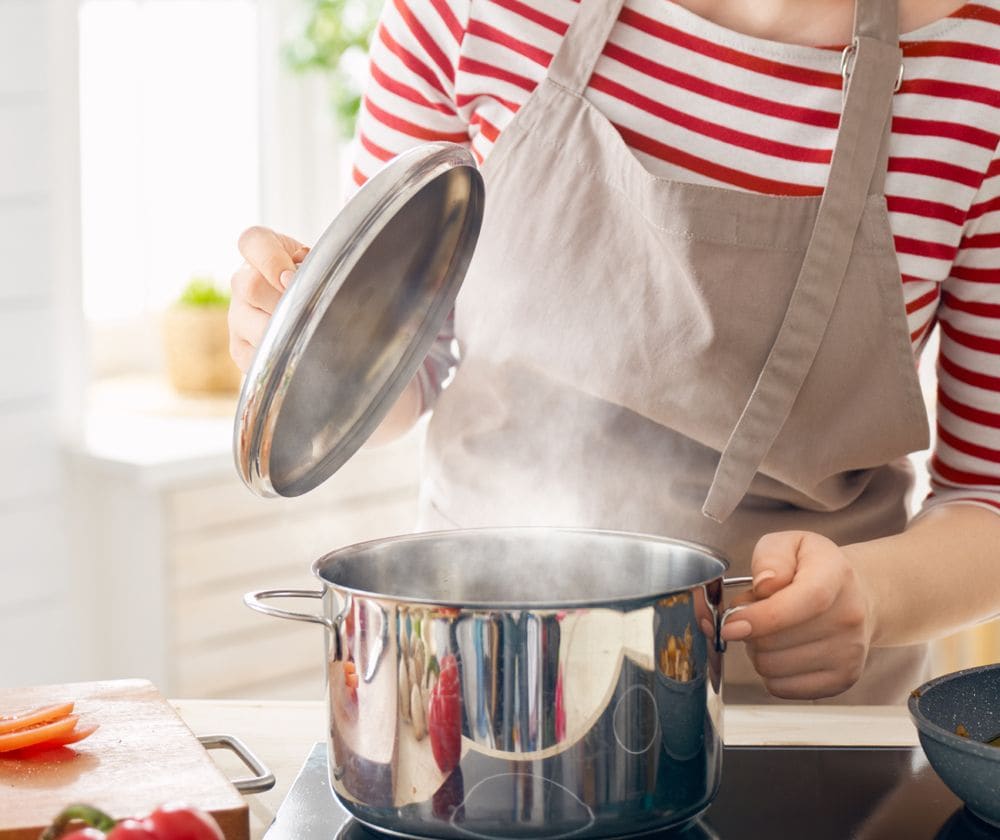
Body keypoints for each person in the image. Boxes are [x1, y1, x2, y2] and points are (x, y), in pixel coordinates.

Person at [229, 0, 1000, 704]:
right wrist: (305, 342)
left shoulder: (976, 77)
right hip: (477, 683)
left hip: (794, 716)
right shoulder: (466, 11)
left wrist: (871, 594)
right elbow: (403, 369)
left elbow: (987, 494)